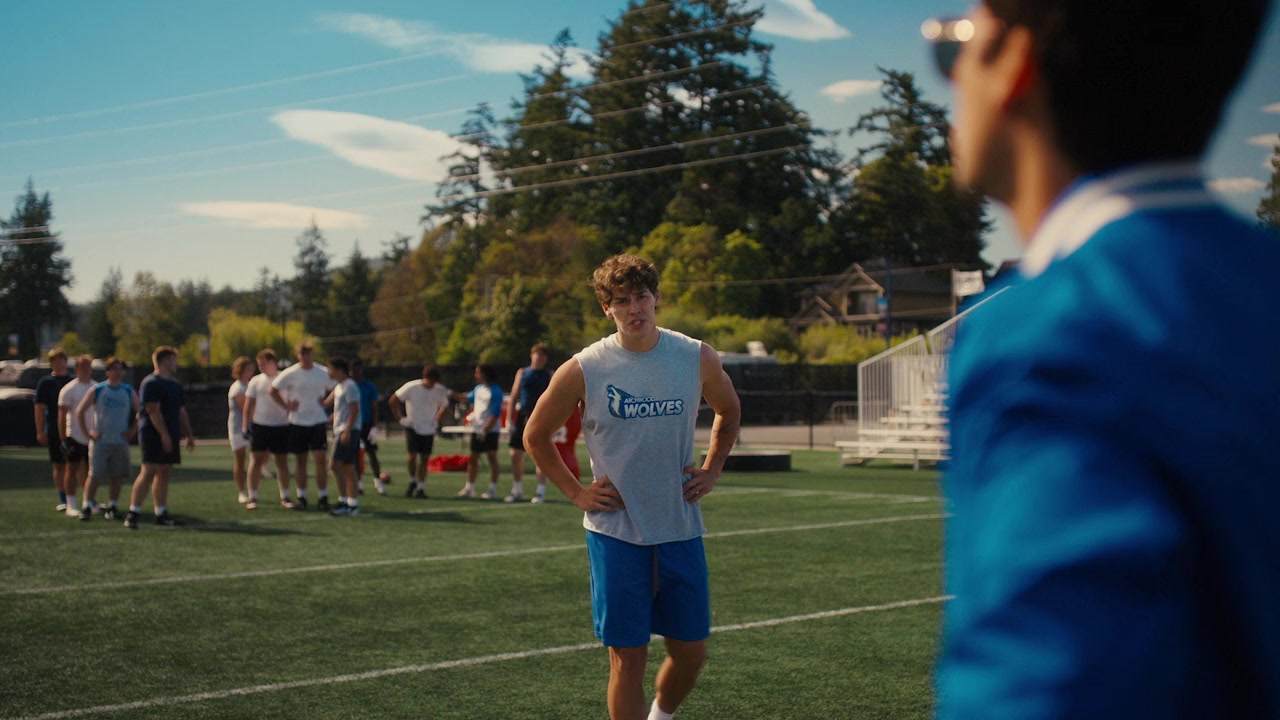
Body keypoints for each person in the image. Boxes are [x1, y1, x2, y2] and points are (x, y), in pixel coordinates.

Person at [925, 1, 1280, 717]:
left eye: (954, 44)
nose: (952, 75)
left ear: (1014, 63)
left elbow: (1047, 687)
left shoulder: (1058, 330)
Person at [524, 254, 740, 720]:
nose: (634, 308)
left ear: (656, 297)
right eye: (621, 301)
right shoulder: (585, 367)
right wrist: (577, 493)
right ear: (607, 308)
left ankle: (660, 716)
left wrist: (712, 469)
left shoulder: (695, 356)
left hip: (680, 527)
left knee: (691, 653)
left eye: (641, 296)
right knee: (628, 659)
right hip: (616, 533)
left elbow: (729, 409)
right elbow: (535, 435)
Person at [125, 345, 195, 529]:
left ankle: (161, 513)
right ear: (165, 361)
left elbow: (181, 411)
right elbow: (153, 411)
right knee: (149, 470)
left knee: (165, 471)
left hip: (171, 433)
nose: (176, 364)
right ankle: (133, 512)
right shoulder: (151, 383)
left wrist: (188, 434)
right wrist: (164, 436)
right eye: (174, 360)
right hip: (152, 433)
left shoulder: (174, 384)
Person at [269, 341, 335, 511]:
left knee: (320, 459)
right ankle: (302, 496)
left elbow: (338, 386)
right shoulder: (291, 372)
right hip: (298, 421)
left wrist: (327, 402)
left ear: (313, 354)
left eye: (308, 354)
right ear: (298, 355)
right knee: (301, 460)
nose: (306, 357)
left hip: (318, 420)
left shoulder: (322, 372)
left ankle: (323, 496)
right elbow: (273, 390)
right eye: (302, 354)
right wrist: (286, 405)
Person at [75, 356, 138, 521]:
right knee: (94, 474)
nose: (118, 372)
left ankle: (113, 505)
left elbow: (140, 412)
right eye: (114, 369)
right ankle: (87, 505)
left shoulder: (128, 391)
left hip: (120, 440)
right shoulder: (98, 390)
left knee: (117, 475)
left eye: (120, 369)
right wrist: (88, 432)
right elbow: (80, 411)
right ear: (108, 372)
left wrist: (133, 430)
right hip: (101, 441)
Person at [388, 365, 452, 499]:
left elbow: (445, 405)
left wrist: (436, 420)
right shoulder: (412, 387)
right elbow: (393, 400)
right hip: (413, 426)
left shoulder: (438, 390)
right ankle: (412, 480)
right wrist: (400, 419)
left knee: (425, 458)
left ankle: (421, 486)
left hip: (428, 428)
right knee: (412, 456)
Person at [243, 349, 294, 509]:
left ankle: (285, 496)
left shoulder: (284, 378)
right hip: (260, 426)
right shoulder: (255, 381)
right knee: (256, 461)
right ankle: (252, 497)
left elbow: (292, 400)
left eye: (263, 363)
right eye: (259, 364)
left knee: (281, 461)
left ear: (273, 362)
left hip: (281, 425)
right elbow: (248, 405)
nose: (261, 367)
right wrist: (245, 426)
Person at [504, 343, 552, 503]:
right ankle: (517, 489)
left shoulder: (549, 374)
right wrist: (508, 420)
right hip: (522, 416)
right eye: (537, 355)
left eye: (543, 356)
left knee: (539, 455)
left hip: (540, 417)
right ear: (532, 356)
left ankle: (540, 491)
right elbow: (514, 396)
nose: (540, 358)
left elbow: (554, 399)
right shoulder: (523, 372)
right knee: (515, 454)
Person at [33, 348, 74, 512]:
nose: (59, 364)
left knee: (77, 464)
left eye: (61, 360)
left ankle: (82, 498)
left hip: (73, 429)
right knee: (59, 464)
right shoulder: (46, 382)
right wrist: (40, 430)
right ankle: (63, 498)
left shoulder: (73, 381)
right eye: (55, 361)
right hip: (54, 429)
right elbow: (39, 408)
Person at [454, 364, 503, 500]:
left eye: (478, 373)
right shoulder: (478, 389)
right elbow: (466, 398)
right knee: (473, 457)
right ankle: (469, 488)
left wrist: (486, 429)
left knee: (492, 457)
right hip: (477, 429)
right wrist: (449, 393)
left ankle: (492, 489)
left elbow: (495, 413)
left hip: (490, 430)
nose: (476, 375)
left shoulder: (496, 390)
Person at [56, 355, 96, 517]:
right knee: (71, 469)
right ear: (77, 369)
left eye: (89, 366)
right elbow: (62, 415)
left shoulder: (96, 387)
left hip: (92, 436)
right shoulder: (69, 389)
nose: (86, 369)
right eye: (83, 366)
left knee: (90, 471)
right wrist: (64, 438)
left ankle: (89, 501)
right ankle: (70, 504)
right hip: (74, 435)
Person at [322, 357, 362, 517]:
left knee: (335, 465)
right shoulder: (339, 386)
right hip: (342, 430)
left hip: (347, 430)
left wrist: (347, 431)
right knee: (347, 466)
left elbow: (354, 409)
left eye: (330, 369)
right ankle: (351, 503)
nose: (328, 372)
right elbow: (326, 402)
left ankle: (345, 502)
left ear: (339, 370)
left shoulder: (349, 386)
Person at [350, 359, 390, 496]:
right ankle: (359, 483)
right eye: (352, 370)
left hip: (366, 423)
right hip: (354, 424)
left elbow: (374, 406)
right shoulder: (349, 386)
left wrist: (374, 425)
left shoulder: (369, 386)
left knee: (372, 453)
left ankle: (378, 481)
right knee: (355, 455)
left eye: (357, 370)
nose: (355, 373)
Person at [227, 356, 255, 508]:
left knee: (256, 457)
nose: (251, 371)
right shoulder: (237, 387)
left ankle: (252, 491)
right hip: (238, 428)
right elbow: (246, 408)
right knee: (240, 459)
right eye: (248, 368)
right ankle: (242, 492)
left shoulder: (249, 385)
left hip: (251, 427)